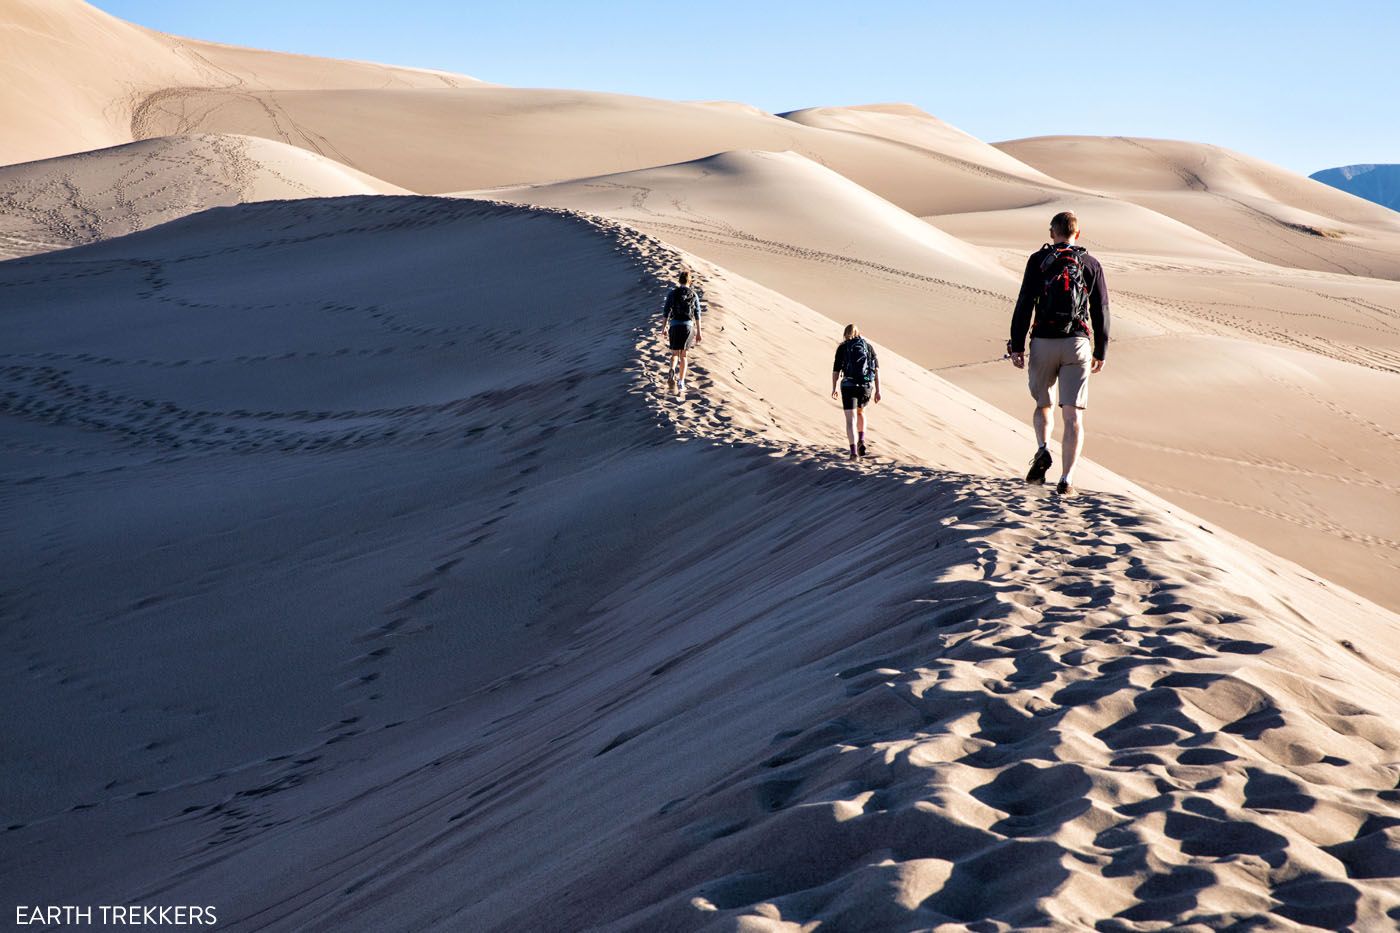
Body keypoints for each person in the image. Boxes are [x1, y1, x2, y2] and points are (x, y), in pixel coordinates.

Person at [1007, 211, 1110, 497]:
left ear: (1052, 233)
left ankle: (1042, 449)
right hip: (1077, 343)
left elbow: (1025, 302)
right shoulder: (1090, 264)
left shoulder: (1038, 261)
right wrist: (1101, 350)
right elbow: (1100, 310)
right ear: (1078, 233)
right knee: (1073, 415)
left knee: (1043, 404)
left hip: (1043, 341)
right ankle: (1066, 479)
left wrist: (1016, 344)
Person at [830, 323, 881, 460]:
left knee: (850, 419)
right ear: (858, 332)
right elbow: (876, 370)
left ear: (845, 334)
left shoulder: (842, 348)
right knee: (861, 412)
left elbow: (836, 370)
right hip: (865, 386)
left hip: (849, 386)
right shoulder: (868, 347)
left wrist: (834, 387)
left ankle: (853, 452)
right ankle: (862, 440)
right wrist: (878, 390)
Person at [661, 270, 703, 395]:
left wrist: (663, 328)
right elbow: (697, 314)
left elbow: (666, 312)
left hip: (674, 326)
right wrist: (699, 332)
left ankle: (672, 369)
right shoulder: (693, 294)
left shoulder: (672, 293)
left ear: (679, 281)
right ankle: (681, 382)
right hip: (688, 327)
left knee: (674, 354)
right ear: (690, 282)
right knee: (683, 355)